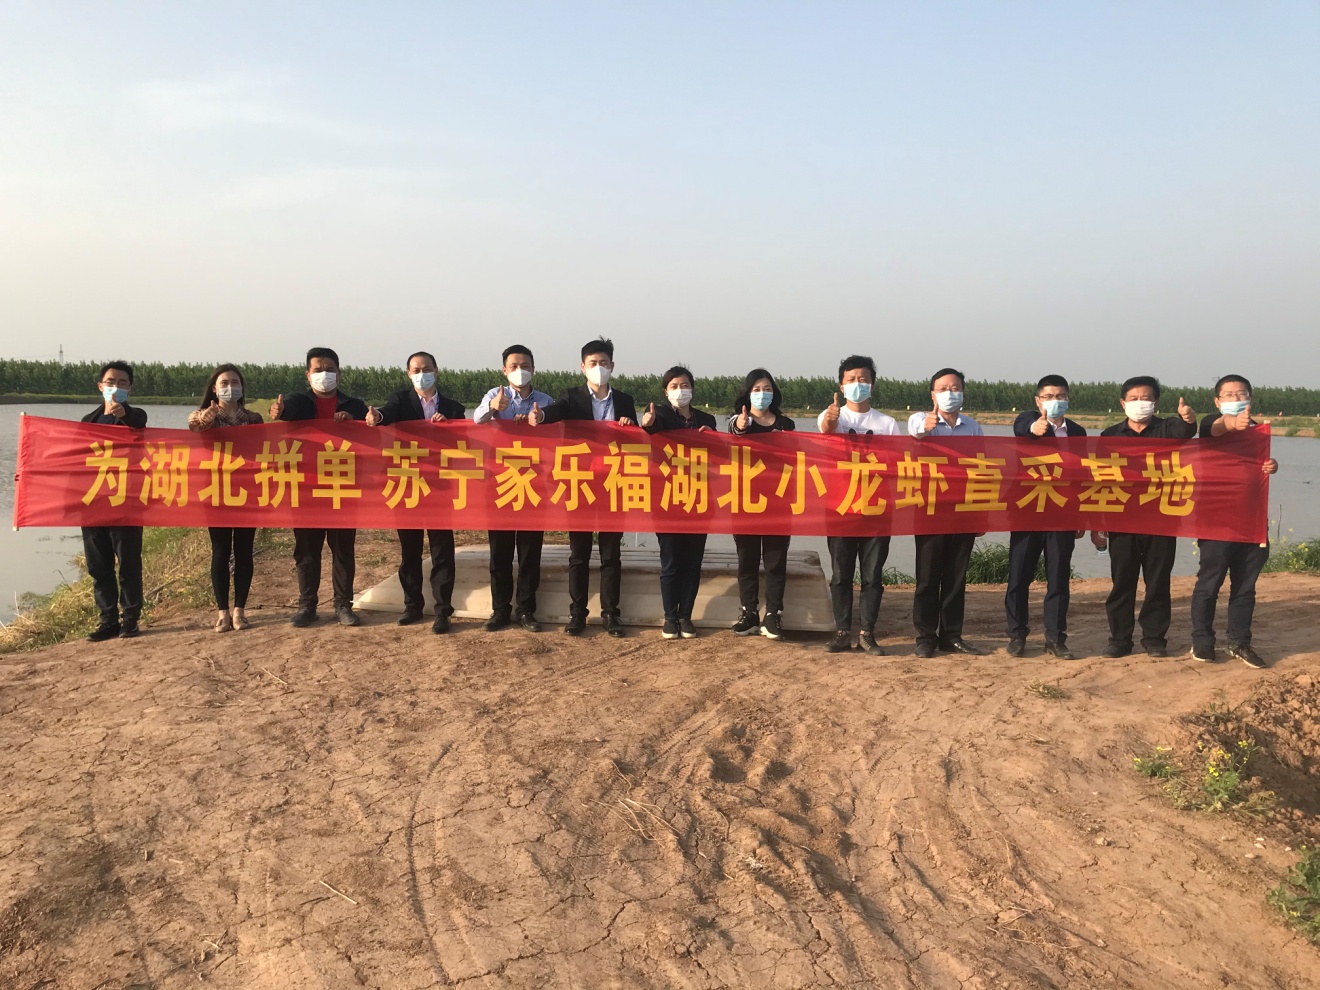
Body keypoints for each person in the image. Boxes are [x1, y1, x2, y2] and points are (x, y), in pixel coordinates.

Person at [529, 336, 638, 637]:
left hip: (614, 483)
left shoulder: (624, 401)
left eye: (604, 362)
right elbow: (557, 410)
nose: (598, 367)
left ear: (612, 366)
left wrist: (631, 426)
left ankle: (610, 614)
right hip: (580, 483)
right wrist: (541, 416)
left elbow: (636, 440)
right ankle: (577, 613)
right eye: (593, 363)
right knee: (579, 553)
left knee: (610, 553)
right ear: (582, 367)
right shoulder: (572, 397)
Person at [1092, 376, 1197, 658]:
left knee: (1158, 581)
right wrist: (1098, 521)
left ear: (1156, 402)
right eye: (1134, 399)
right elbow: (1100, 478)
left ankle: (1154, 638)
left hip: (1161, 517)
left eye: (1146, 398)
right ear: (1123, 403)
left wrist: (1189, 420)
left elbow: (1186, 431)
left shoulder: (1167, 428)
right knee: (1122, 581)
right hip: (1122, 518)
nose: (1140, 403)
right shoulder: (1110, 436)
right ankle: (1120, 639)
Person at [366, 351, 466, 633]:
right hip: (407, 484)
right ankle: (412, 606)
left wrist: (449, 429)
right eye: (416, 370)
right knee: (409, 550)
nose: (422, 374)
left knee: (441, 550)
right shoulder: (401, 401)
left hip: (440, 488)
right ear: (408, 373)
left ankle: (443, 610)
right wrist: (377, 417)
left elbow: (466, 443)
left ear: (436, 370)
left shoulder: (453, 408)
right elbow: (386, 414)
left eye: (427, 369)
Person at [270, 347, 369, 627]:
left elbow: (372, 432)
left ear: (339, 373)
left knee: (343, 550)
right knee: (306, 550)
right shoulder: (300, 402)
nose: (323, 374)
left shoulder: (354, 405)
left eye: (329, 369)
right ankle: (307, 606)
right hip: (306, 489)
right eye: (318, 370)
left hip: (342, 487)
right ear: (308, 374)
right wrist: (279, 411)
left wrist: (354, 422)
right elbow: (286, 410)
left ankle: (343, 605)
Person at [1189, 375, 1278, 668]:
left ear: (1250, 397)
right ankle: (1202, 640)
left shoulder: (1259, 430)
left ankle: (1239, 642)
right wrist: (1232, 423)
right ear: (1218, 401)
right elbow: (1220, 427)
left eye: (1241, 393)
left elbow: (1259, 465)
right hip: (1216, 520)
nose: (1236, 398)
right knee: (1209, 583)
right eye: (1228, 395)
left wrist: (1271, 466)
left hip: (1252, 520)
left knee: (1245, 587)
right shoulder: (1209, 424)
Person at [819, 355, 901, 655]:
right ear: (841, 386)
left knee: (872, 576)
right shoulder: (834, 416)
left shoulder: (887, 424)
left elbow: (898, 464)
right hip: (840, 508)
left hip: (877, 510)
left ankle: (867, 633)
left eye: (863, 379)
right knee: (841, 574)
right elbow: (825, 429)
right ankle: (842, 631)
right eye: (851, 380)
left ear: (872, 385)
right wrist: (831, 419)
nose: (858, 384)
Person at [1005, 375, 1087, 660]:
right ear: (1038, 400)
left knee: (1058, 578)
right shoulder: (1028, 420)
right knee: (1019, 576)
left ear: (1068, 399)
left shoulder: (1077, 432)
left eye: (1061, 396)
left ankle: (1055, 638)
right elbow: (1023, 426)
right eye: (1049, 396)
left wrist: (1081, 515)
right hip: (1028, 510)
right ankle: (1017, 635)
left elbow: (1082, 474)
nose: (1055, 401)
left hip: (1062, 513)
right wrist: (1035, 428)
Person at [473, 344, 553, 632]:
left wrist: (537, 422)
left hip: (533, 484)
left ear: (533, 369)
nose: (520, 371)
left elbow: (557, 436)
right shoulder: (495, 396)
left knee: (530, 552)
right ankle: (500, 609)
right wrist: (493, 408)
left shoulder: (544, 400)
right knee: (500, 552)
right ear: (504, 370)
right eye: (514, 366)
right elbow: (477, 419)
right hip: (500, 484)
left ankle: (526, 610)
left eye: (525, 366)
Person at [907, 367, 985, 659]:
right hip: (929, 509)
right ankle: (925, 636)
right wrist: (926, 427)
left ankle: (951, 635)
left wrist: (981, 513)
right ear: (933, 394)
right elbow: (914, 432)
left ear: (963, 393)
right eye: (943, 389)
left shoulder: (973, 427)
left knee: (956, 576)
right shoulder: (921, 420)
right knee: (927, 577)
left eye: (955, 389)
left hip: (963, 509)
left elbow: (982, 469)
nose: (949, 394)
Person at [642, 366, 717, 639]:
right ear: (666, 392)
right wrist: (648, 423)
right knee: (671, 561)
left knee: (692, 563)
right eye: (673, 386)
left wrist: (712, 438)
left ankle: (686, 616)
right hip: (667, 500)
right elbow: (651, 428)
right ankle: (670, 617)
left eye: (684, 385)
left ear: (692, 388)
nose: (680, 390)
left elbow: (717, 455)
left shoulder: (706, 420)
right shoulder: (660, 414)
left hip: (699, 499)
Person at [188, 364, 264, 632]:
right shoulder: (204, 416)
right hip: (216, 491)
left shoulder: (253, 418)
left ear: (241, 387)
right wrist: (207, 418)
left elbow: (263, 447)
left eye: (235, 382)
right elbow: (193, 426)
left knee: (244, 550)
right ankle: (222, 611)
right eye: (224, 382)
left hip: (246, 491)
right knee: (220, 551)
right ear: (214, 388)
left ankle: (240, 610)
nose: (230, 387)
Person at [81, 361, 148, 641]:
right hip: (94, 502)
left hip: (126, 502)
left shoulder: (136, 416)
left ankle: (130, 618)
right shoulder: (88, 421)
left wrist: (124, 415)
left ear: (129, 388)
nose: (116, 387)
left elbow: (139, 424)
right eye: (111, 382)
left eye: (122, 383)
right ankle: (107, 620)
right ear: (101, 386)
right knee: (99, 566)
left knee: (129, 563)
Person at [728, 369, 796, 640]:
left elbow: (796, 459)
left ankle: (773, 614)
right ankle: (749, 613)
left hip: (779, 502)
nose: (762, 394)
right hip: (745, 501)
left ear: (774, 393)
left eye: (767, 389)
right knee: (747, 560)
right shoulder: (738, 420)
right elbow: (735, 430)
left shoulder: (786, 424)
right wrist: (742, 425)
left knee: (775, 561)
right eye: (756, 389)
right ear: (747, 394)